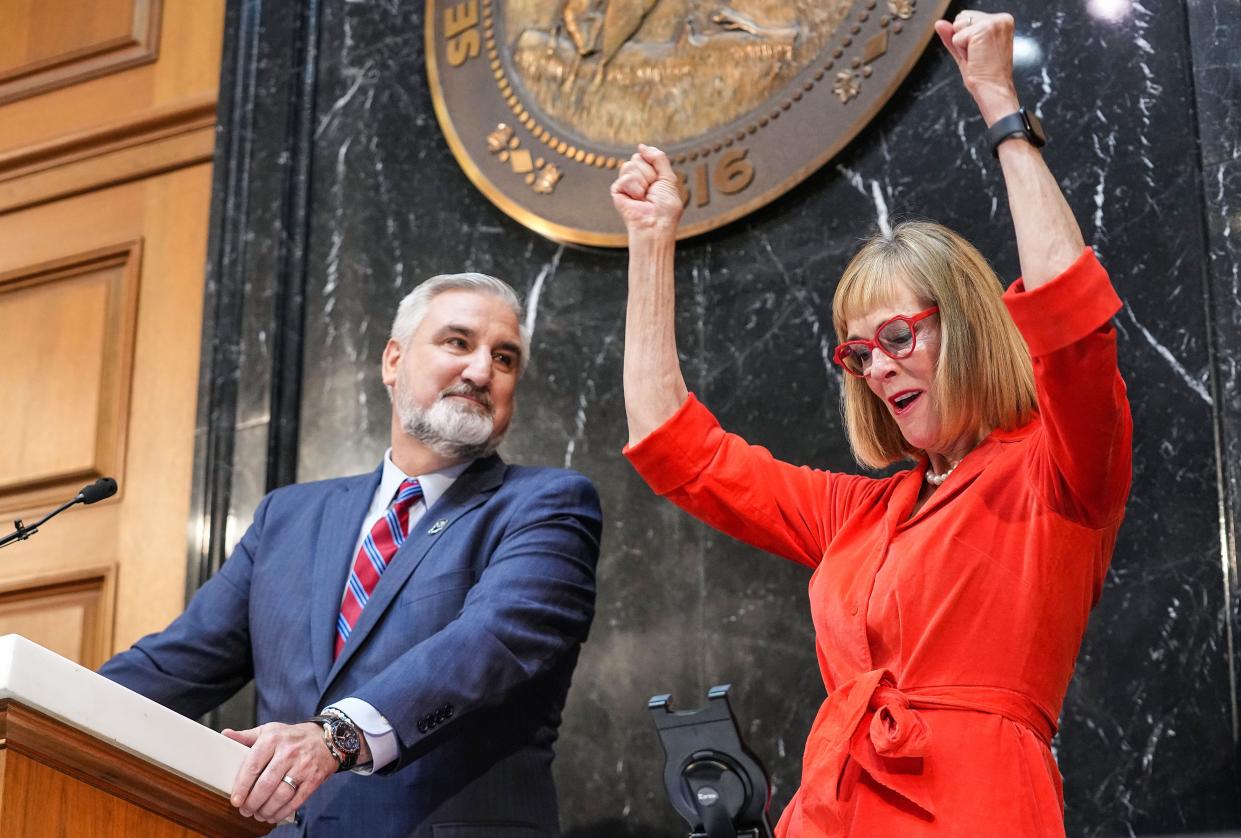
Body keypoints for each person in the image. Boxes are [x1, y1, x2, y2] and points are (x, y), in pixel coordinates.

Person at [610, 11, 1130, 838]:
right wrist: (649, 242)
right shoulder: (857, 514)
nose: (878, 366)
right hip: (833, 809)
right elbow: (677, 450)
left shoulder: (1058, 467)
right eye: (856, 353)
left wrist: (998, 105)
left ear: (964, 324)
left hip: (977, 809)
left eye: (896, 336)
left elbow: (1072, 321)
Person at [101, 273, 602, 836]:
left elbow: (493, 640)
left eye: (504, 358)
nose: (482, 371)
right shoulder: (285, 517)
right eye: (457, 343)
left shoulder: (548, 504)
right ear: (393, 360)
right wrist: (32, 695)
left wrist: (333, 737)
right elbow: (175, 664)